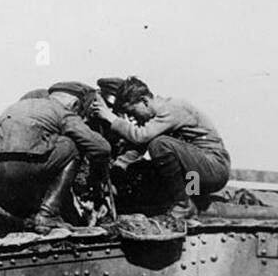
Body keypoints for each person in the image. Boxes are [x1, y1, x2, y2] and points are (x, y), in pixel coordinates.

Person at [0, 82, 111, 240]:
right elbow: (102, 148)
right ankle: (47, 215)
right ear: (75, 104)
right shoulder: (63, 112)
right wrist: (97, 184)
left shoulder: (18, 107)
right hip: (17, 168)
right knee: (72, 146)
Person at [90, 75, 231, 219]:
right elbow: (136, 149)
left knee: (159, 145)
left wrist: (111, 118)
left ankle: (183, 205)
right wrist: (116, 174)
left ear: (144, 101)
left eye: (132, 112)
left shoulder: (171, 109)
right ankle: (190, 202)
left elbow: (140, 137)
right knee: (138, 169)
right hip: (194, 175)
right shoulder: (156, 119)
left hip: (214, 168)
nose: (133, 118)